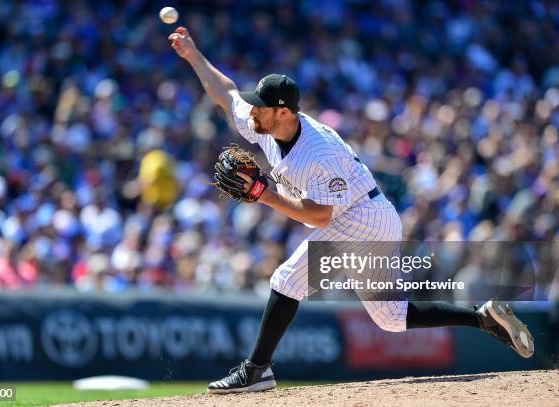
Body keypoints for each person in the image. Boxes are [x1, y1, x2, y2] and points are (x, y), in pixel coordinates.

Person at [168, 26, 534, 394]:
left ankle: (256, 370)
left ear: (282, 112)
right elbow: (226, 93)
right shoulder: (267, 124)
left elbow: (320, 217)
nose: (253, 110)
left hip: (362, 218)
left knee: (286, 280)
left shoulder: (319, 151)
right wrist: (193, 55)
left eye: (261, 106)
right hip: (369, 216)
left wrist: (264, 194)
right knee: (391, 317)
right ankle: (482, 318)